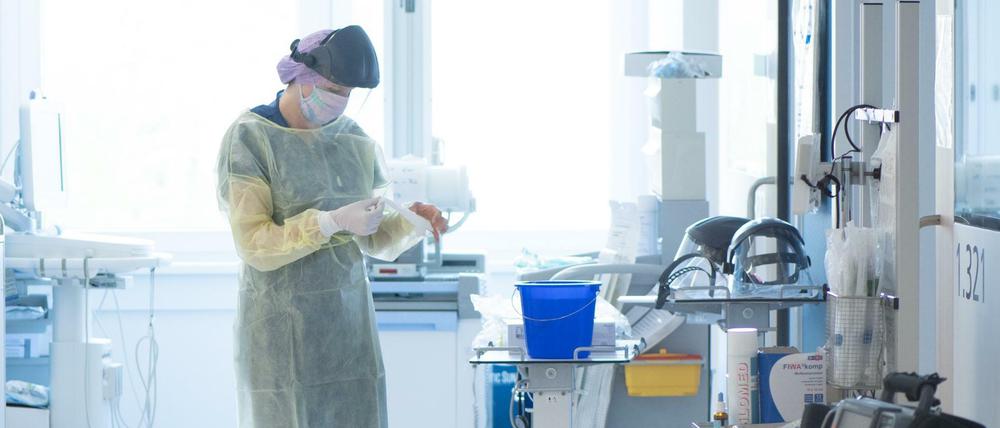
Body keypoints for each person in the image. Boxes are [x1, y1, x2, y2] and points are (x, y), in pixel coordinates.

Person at [216, 26, 448, 428]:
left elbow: (373, 237)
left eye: (349, 93)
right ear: (301, 77)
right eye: (333, 88)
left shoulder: (353, 141)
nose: (341, 101)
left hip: (347, 333)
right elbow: (253, 243)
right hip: (277, 332)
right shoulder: (250, 138)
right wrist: (330, 222)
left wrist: (411, 220)